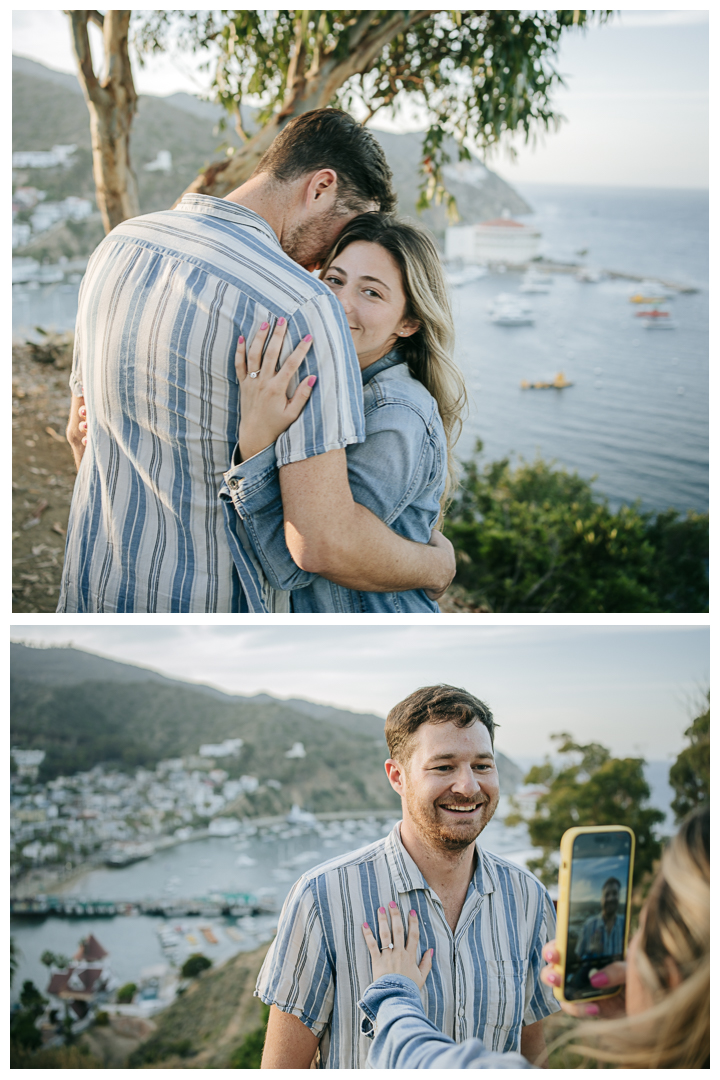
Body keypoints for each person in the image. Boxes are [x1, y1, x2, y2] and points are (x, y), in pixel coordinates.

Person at [57, 108, 455, 611]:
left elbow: (80, 434)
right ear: (321, 187)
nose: (321, 263)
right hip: (207, 602)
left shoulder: (119, 244)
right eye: (343, 233)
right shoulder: (301, 308)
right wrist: (437, 566)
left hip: (91, 582)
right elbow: (321, 543)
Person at [255, 685, 560, 1068]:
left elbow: (532, 1051)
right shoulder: (323, 897)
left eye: (482, 765)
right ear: (397, 776)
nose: (468, 786)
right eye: (444, 767)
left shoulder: (529, 898)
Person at [220, 213, 466, 611]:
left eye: (372, 293)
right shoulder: (326, 376)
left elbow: (302, 561)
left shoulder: (396, 412)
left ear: (408, 322)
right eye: (334, 281)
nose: (338, 304)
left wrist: (255, 444)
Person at [355, 805, 709, 1069]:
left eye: (639, 934)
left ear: (669, 974)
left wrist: (393, 992)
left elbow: (424, 1064)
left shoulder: (527, 894)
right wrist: (645, 1023)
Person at [575, 876, 625, 959]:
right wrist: (591, 953)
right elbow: (578, 957)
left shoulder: (625, 924)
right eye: (607, 894)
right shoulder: (588, 926)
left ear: (619, 896)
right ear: (601, 899)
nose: (611, 898)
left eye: (614, 893)